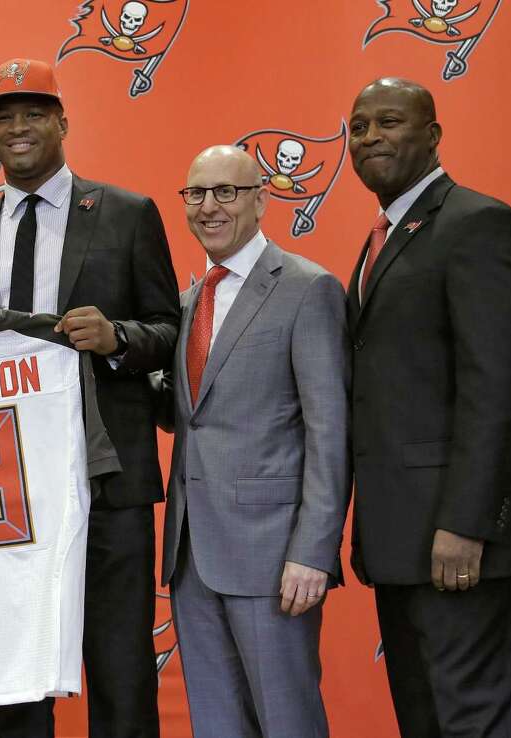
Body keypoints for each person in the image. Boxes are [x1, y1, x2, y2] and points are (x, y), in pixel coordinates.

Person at [0, 57, 181, 737]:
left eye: (33, 113)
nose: (18, 128)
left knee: (121, 661)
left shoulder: (127, 214)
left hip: (108, 479)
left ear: (63, 121)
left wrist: (118, 336)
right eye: (3, 117)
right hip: (7, 489)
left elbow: (171, 332)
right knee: (15, 663)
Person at [346, 77, 511, 736]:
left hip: (464, 545)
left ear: (433, 135)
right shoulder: (386, 236)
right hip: (402, 546)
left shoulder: (477, 223)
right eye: (358, 127)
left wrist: (466, 524)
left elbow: (499, 385)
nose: (372, 136)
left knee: (477, 724)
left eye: (389, 121)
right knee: (429, 724)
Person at [160, 145, 349, 737]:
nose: (209, 207)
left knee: (287, 722)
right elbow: (186, 415)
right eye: (196, 193)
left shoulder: (307, 288)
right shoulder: (188, 303)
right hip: (191, 557)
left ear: (261, 200)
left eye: (227, 192)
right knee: (216, 727)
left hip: (272, 559)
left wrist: (313, 551)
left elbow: (329, 430)